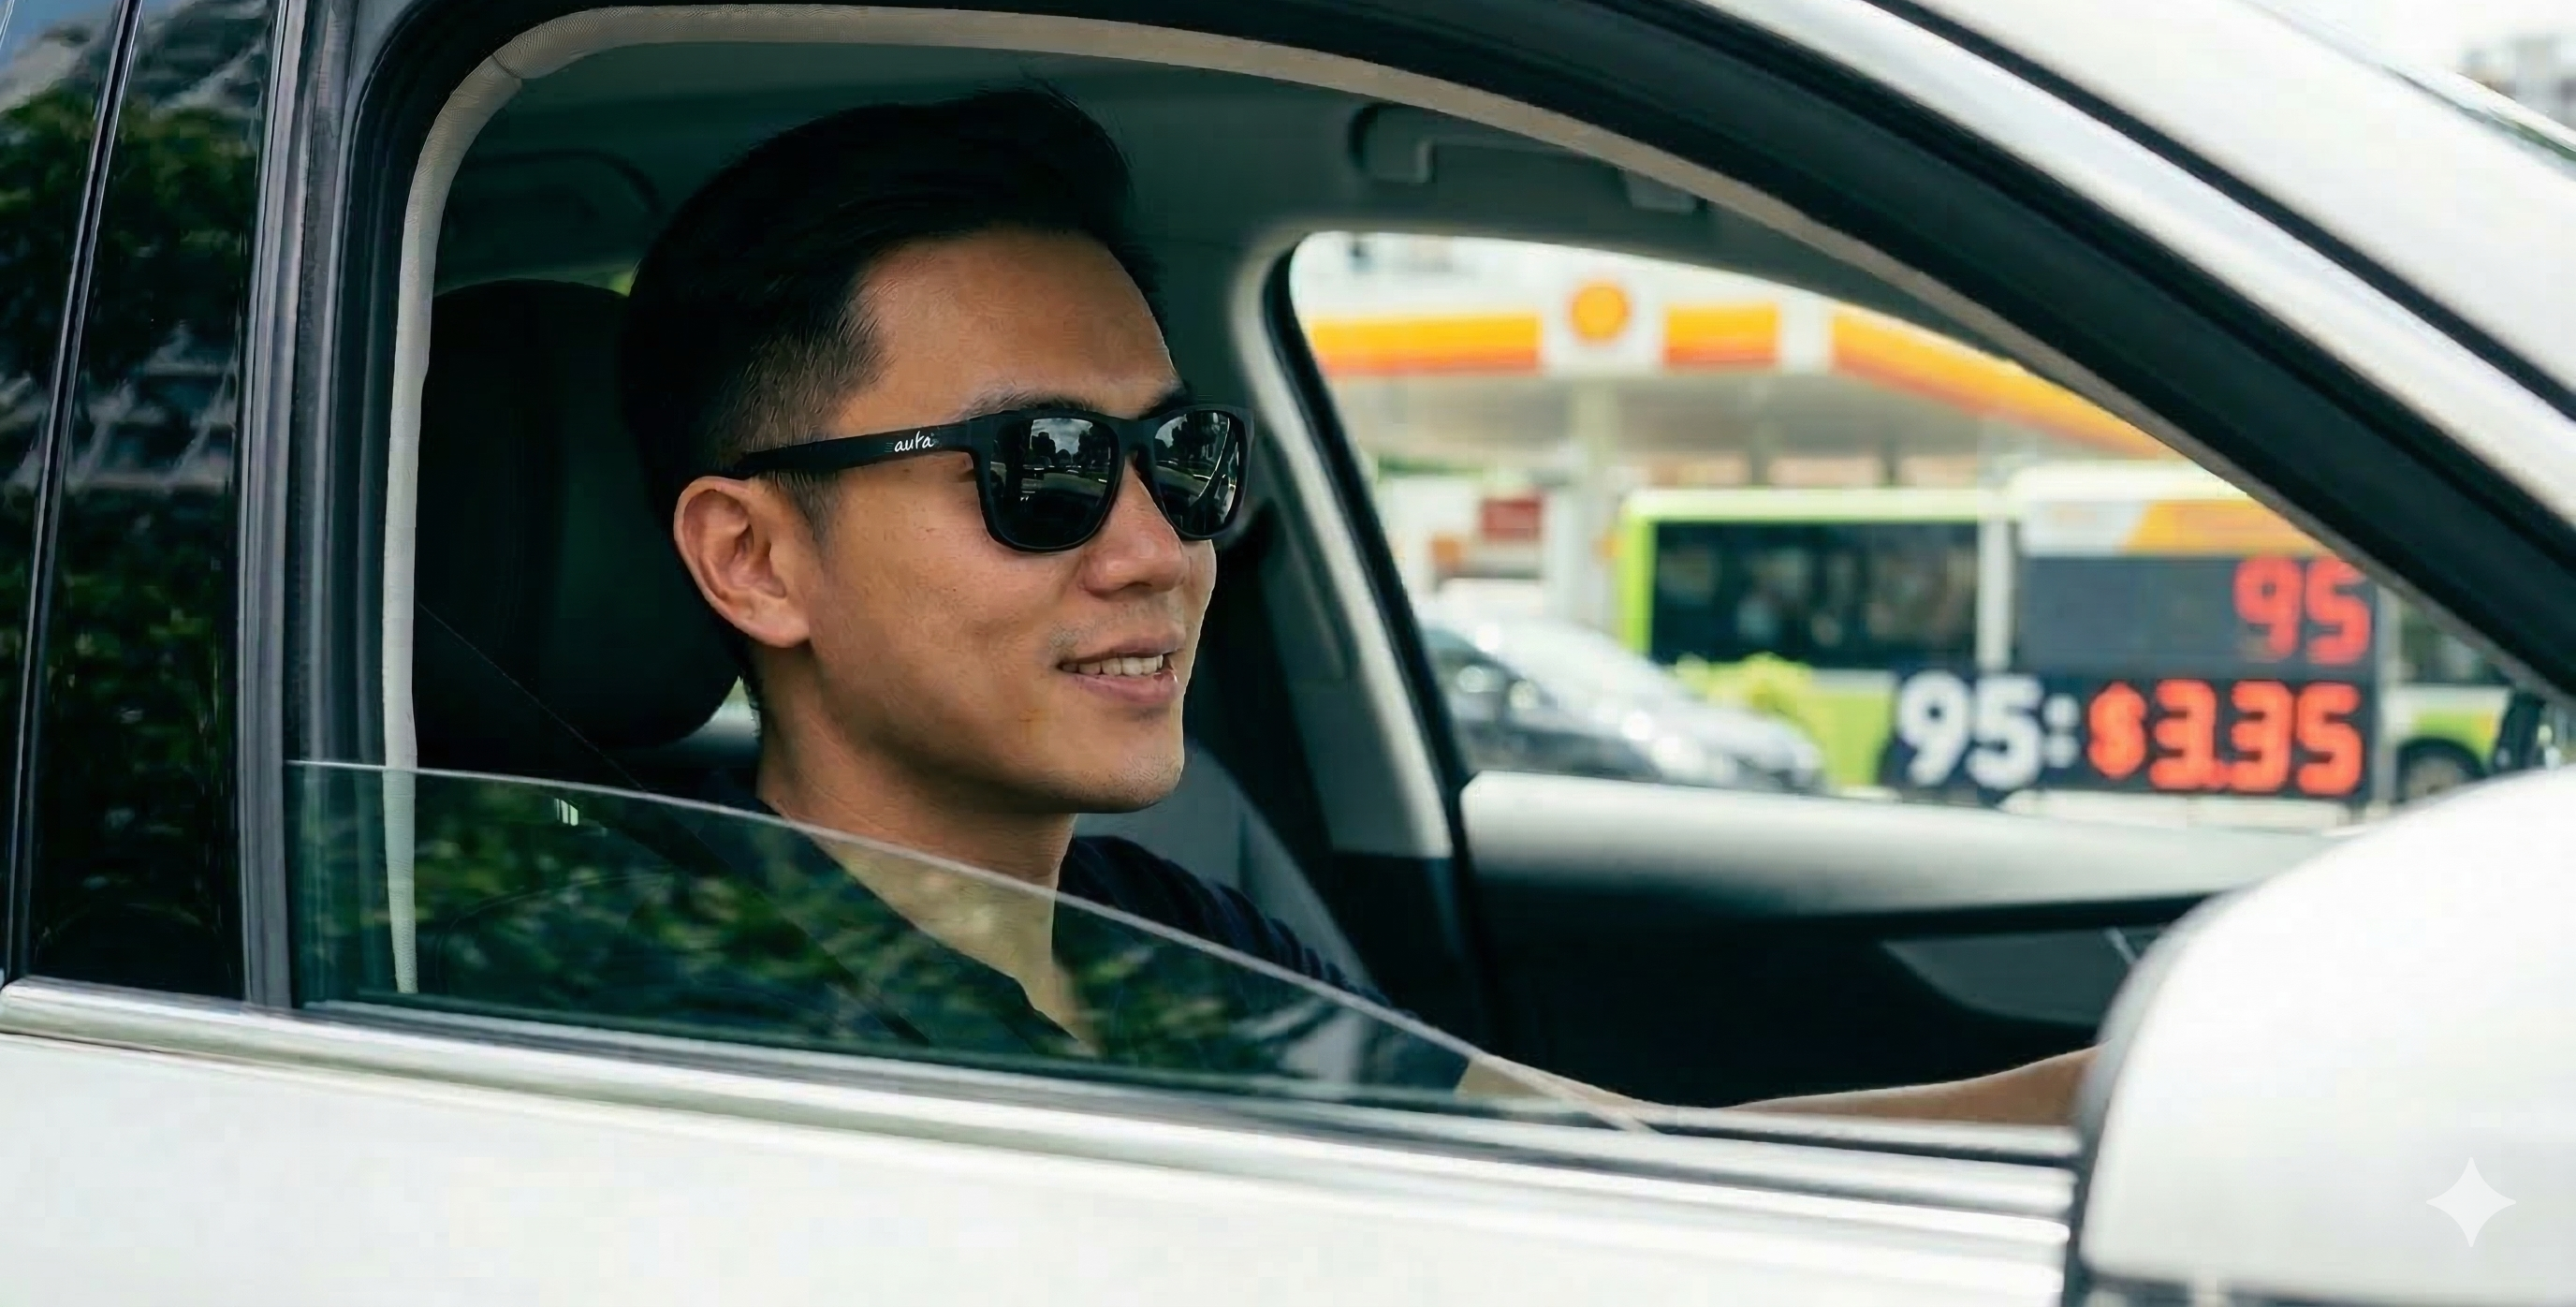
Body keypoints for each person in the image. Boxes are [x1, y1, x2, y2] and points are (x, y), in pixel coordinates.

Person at [615, 88, 2090, 1124]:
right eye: (1041, 469)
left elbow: (1594, 1172)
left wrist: (2097, 1108)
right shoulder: (657, 1031)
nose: (1160, 551)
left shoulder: (1168, 939)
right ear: (754, 560)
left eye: (1180, 459)